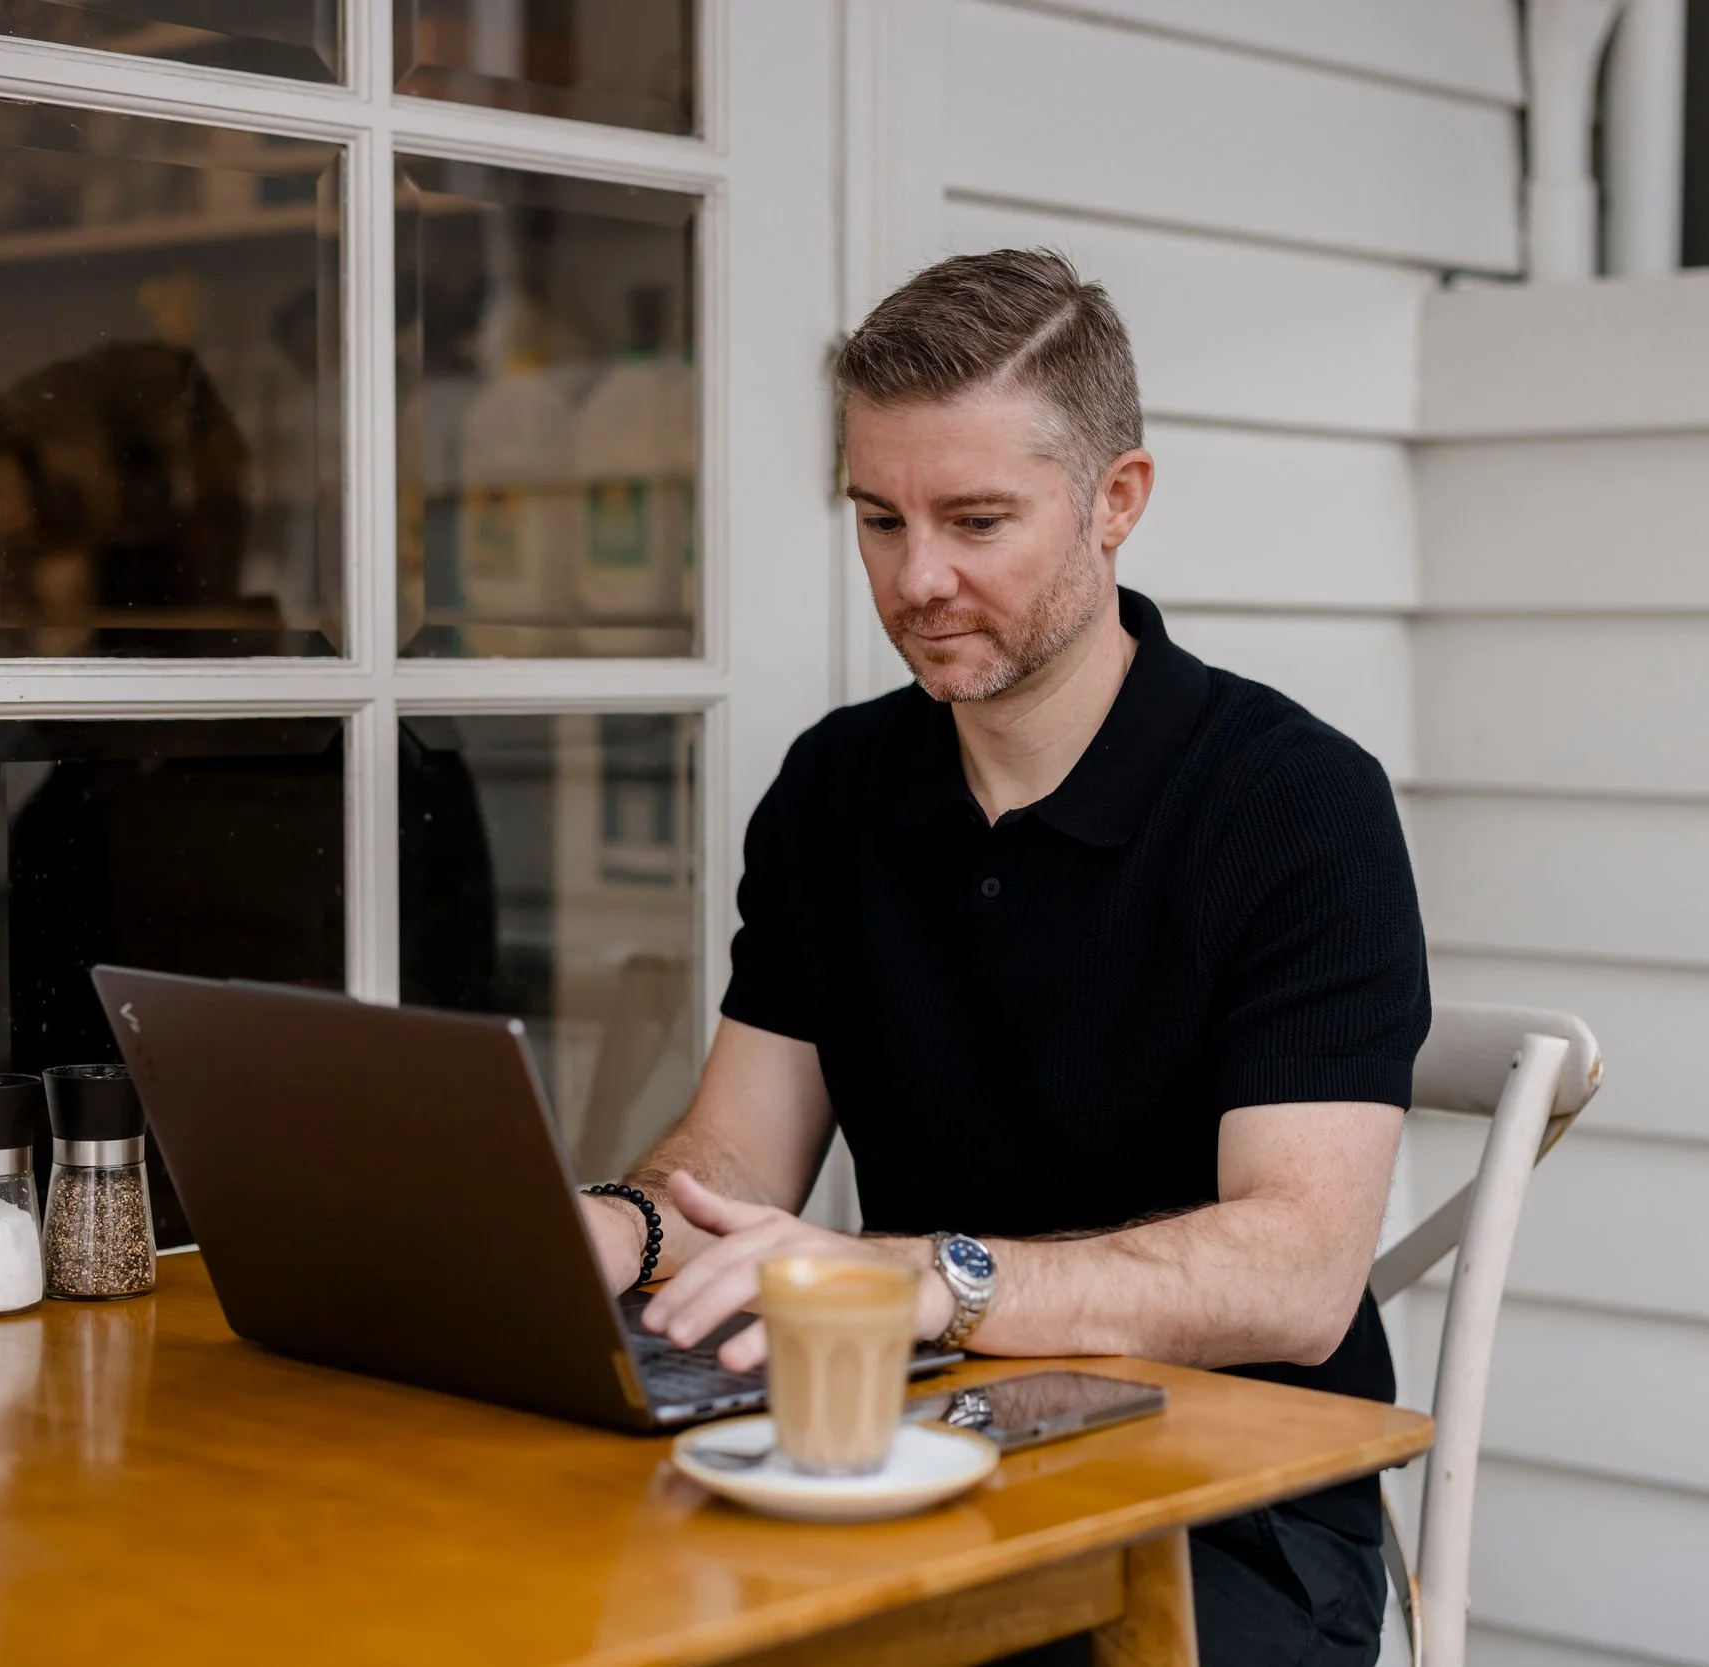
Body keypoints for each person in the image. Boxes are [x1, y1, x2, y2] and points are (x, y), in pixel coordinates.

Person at [579, 249, 1430, 1666]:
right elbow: (732, 1162)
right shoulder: (835, 789)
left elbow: (1294, 1273)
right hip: (898, 1451)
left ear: (1116, 502)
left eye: (977, 519)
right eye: (877, 518)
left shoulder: (1294, 803)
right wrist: (621, 1225)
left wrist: (938, 1280)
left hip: (1228, 1512)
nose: (918, 579)